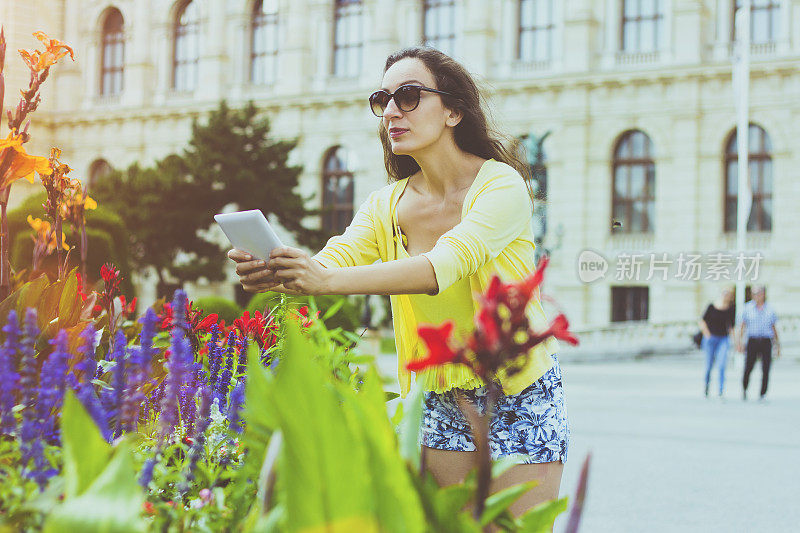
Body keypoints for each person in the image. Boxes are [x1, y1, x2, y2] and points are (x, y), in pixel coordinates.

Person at [227, 46, 568, 519]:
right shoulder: (385, 204)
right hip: (436, 392)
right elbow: (335, 259)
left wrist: (321, 281)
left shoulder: (501, 185)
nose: (390, 111)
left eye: (408, 96)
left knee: (512, 532)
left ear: (453, 111)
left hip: (516, 389)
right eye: (382, 99)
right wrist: (283, 270)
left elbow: (442, 265)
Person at [735, 285, 781, 401]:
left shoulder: (770, 309)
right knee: (748, 367)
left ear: (764, 294)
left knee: (766, 368)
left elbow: (774, 327)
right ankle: (744, 388)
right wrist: (739, 342)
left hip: (766, 341)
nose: (756, 296)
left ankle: (763, 394)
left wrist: (777, 344)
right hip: (752, 341)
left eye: (759, 293)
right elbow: (742, 327)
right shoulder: (747, 308)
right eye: (754, 293)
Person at [698, 287, 735, 398]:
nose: (726, 296)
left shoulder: (731, 309)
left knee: (722, 365)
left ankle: (720, 390)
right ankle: (706, 386)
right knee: (709, 365)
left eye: (728, 294)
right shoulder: (711, 306)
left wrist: (736, 341)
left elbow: (731, 327)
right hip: (711, 339)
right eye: (725, 293)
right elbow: (702, 321)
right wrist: (707, 334)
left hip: (723, 339)